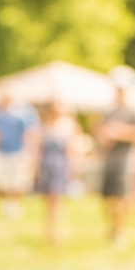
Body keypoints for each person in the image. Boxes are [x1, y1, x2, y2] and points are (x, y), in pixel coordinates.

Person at [97, 84, 135, 246]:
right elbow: (100, 133)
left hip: (126, 161)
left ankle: (121, 231)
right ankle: (112, 228)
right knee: (108, 197)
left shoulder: (132, 112)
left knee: (122, 197)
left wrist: (121, 132)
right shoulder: (109, 112)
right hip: (109, 161)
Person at [35, 102, 78, 245]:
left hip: (60, 166)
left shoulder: (68, 127)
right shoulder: (44, 128)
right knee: (47, 200)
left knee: (57, 199)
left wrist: (73, 169)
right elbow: (38, 150)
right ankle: (49, 229)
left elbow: (71, 151)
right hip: (46, 165)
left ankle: (56, 230)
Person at [0, 93, 37, 217]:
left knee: (17, 181)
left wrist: (29, 152)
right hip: (2, 151)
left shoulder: (19, 116)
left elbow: (26, 134)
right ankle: (7, 204)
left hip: (17, 151)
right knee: (4, 181)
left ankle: (16, 204)